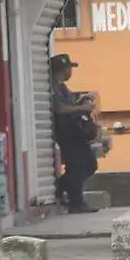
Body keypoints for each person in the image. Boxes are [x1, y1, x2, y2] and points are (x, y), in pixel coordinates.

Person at [50, 54, 99, 214]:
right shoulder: (52, 88)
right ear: (61, 70)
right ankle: (76, 203)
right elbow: (60, 109)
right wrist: (81, 108)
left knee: (90, 164)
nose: (71, 71)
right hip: (66, 134)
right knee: (77, 166)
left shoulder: (62, 87)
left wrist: (82, 100)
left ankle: (60, 187)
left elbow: (70, 105)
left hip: (76, 132)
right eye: (69, 68)